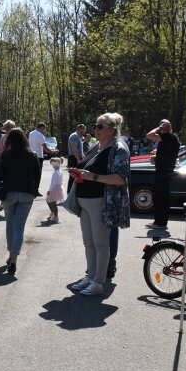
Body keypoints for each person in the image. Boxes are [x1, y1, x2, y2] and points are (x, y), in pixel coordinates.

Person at [68, 112, 130, 296]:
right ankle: (91, 276)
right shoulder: (97, 146)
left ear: (112, 130)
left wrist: (92, 177)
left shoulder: (119, 148)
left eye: (100, 126)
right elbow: (87, 168)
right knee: (88, 243)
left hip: (101, 202)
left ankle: (98, 282)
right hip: (85, 202)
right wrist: (79, 173)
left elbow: (120, 179)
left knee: (101, 244)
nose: (95, 129)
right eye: (95, 125)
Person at [0, 128, 41, 274]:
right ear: (24, 140)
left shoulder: (6, 155)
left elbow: (0, 175)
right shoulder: (32, 155)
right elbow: (37, 176)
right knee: (19, 228)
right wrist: (34, 191)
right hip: (26, 194)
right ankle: (14, 258)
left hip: (9, 193)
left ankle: (11, 255)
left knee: (10, 225)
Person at [145, 119, 180, 230]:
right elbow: (168, 154)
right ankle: (160, 221)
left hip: (163, 173)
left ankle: (160, 222)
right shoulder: (172, 138)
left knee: (160, 198)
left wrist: (159, 128)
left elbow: (149, 135)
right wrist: (157, 158)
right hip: (165, 171)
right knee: (162, 197)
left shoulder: (169, 136)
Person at [67, 124, 86, 192]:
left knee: (77, 176)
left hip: (77, 158)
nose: (84, 131)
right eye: (83, 130)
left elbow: (80, 150)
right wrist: (78, 159)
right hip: (73, 158)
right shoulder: (74, 136)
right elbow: (74, 149)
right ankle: (69, 193)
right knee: (73, 176)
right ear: (80, 128)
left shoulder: (79, 137)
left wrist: (83, 158)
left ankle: (74, 192)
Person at [46, 157, 64, 223]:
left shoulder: (55, 173)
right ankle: (53, 213)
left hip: (54, 189)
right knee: (51, 202)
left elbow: (53, 183)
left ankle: (55, 215)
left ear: (55, 164)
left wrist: (49, 190)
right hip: (58, 188)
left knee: (51, 202)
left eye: (52, 165)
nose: (52, 166)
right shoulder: (60, 171)